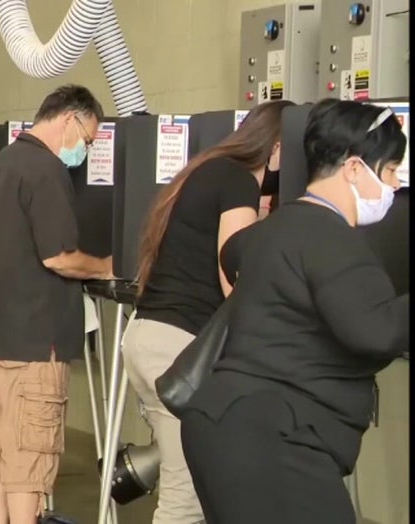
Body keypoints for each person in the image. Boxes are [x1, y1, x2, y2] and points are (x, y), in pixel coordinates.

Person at [180, 100, 409, 523]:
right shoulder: (330, 237)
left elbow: (233, 253)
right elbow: (376, 331)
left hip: (217, 424)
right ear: (355, 168)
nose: (395, 186)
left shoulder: (276, 228)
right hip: (272, 437)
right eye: (392, 170)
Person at [119, 100, 292, 523]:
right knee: (185, 499)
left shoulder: (207, 171)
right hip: (178, 348)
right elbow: (233, 273)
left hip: (148, 337)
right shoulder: (238, 181)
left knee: (195, 485)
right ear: (277, 147)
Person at [0, 85, 114, 524]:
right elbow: (59, 257)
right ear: (70, 120)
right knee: (30, 466)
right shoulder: (46, 172)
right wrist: (107, 266)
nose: (84, 152)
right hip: (38, 347)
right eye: (87, 140)